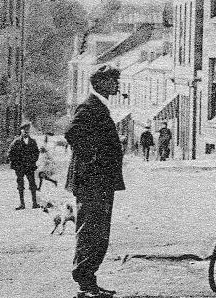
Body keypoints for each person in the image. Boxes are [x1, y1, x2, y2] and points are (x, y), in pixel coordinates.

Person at [66, 65, 126, 298]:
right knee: (91, 231)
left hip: (99, 182)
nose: (117, 85)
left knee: (99, 232)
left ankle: (89, 282)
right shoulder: (89, 106)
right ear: (100, 83)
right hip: (92, 182)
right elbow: (72, 133)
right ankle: (85, 284)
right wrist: (94, 160)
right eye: (113, 80)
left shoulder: (98, 105)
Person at [8, 122, 42, 210]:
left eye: (28, 130)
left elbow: (36, 153)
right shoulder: (16, 142)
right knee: (20, 185)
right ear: (21, 131)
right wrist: (15, 163)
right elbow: (10, 153)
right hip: (19, 167)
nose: (26, 132)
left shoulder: (33, 141)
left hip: (30, 166)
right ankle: (22, 204)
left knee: (32, 184)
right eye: (24, 130)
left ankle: (34, 203)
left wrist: (33, 160)